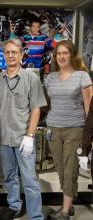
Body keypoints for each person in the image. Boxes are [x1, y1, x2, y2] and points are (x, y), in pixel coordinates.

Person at [0, 39, 46, 220]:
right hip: (4, 139)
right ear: (4, 55)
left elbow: (37, 108)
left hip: (24, 139)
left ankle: (36, 215)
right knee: (9, 176)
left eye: (14, 52)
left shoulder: (31, 78)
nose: (10, 55)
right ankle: (14, 206)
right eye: (7, 52)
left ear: (21, 54)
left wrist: (30, 136)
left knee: (29, 180)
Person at [44, 40, 92, 220]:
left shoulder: (82, 77)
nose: (62, 57)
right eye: (58, 54)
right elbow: (49, 104)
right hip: (53, 130)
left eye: (65, 53)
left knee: (70, 169)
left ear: (71, 55)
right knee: (60, 168)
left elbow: (90, 109)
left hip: (75, 130)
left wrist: (90, 135)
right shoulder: (50, 78)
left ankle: (64, 212)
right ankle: (69, 203)